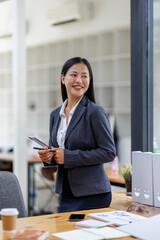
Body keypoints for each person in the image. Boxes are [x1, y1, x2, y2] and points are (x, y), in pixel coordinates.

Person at [38, 57, 116, 213]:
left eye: (84, 76)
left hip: (93, 194)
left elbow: (109, 152)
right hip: (66, 193)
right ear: (63, 78)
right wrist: (49, 157)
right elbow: (59, 152)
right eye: (73, 75)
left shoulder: (95, 112)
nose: (79, 80)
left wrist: (69, 157)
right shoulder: (55, 115)